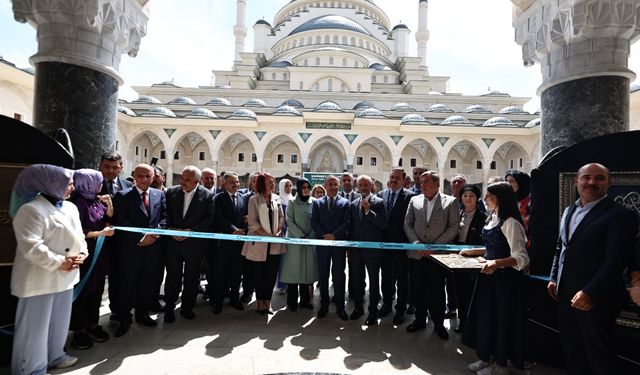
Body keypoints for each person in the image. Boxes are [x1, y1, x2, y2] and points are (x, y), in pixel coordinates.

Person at [548, 163, 637, 375]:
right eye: (586, 177)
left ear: (609, 183)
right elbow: (561, 246)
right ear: (576, 181)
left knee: (599, 356)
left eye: (599, 178)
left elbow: (616, 260)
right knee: (573, 351)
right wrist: (554, 277)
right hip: (566, 292)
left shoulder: (620, 215)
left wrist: (590, 292)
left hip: (597, 297)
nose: (592, 182)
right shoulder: (569, 211)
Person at [10, 164, 87, 373]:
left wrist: (82, 254)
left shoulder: (70, 207)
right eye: (68, 184)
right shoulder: (31, 209)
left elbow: (79, 237)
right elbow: (31, 246)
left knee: (59, 321)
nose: (72, 188)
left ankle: (55, 355)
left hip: (66, 276)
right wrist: (59, 262)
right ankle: (31, 367)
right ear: (51, 184)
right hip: (39, 278)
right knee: (35, 327)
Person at [463, 182, 530, 374]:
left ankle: (500, 365)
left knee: (501, 320)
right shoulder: (492, 218)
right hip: (488, 280)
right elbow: (496, 246)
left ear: (499, 198)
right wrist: (476, 251)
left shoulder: (511, 223)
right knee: (487, 319)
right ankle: (486, 357)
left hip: (505, 282)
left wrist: (496, 263)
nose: (485, 200)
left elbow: (521, 258)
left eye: (489, 197)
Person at [403, 171, 460, 340]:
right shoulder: (414, 200)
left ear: (437, 184)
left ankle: (438, 324)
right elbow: (407, 224)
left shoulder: (450, 202)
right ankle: (419, 320)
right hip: (417, 254)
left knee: (437, 291)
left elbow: (453, 227)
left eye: (427, 182)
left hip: (438, 255)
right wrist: (416, 243)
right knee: (417, 289)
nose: (423, 185)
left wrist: (434, 247)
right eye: (421, 182)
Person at [112, 164, 167, 337]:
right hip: (131, 249)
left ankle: (142, 314)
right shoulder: (122, 196)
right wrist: (141, 237)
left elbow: (164, 218)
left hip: (152, 248)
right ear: (134, 176)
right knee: (127, 284)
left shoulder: (159, 195)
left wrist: (154, 234)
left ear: (153, 177)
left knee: (147, 283)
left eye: (148, 176)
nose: (144, 180)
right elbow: (121, 220)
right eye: (141, 176)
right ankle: (124, 318)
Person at [69, 169, 115, 350]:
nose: (101, 184)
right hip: (85, 255)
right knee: (83, 292)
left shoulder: (96, 200)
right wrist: (100, 233)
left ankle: (92, 324)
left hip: (99, 253)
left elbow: (106, 218)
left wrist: (109, 205)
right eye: (98, 181)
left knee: (96, 292)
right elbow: (76, 231)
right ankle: (79, 330)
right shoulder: (78, 203)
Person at [163, 166, 215, 323]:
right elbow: (165, 213)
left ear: (197, 181)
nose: (182, 181)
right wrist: (171, 230)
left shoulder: (207, 196)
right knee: (173, 277)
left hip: (194, 244)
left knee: (192, 278)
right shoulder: (171, 192)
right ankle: (169, 308)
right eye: (182, 177)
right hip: (173, 243)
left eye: (187, 179)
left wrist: (189, 231)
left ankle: (187, 307)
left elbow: (209, 219)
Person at [242, 173, 286, 314]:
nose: (272, 184)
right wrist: (266, 234)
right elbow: (252, 222)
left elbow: (281, 217)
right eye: (269, 182)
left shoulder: (276, 198)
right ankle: (260, 302)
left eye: (273, 182)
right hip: (259, 243)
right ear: (262, 184)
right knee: (259, 275)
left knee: (271, 274)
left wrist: (278, 231)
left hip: (274, 243)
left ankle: (268, 301)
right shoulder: (253, 200)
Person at [349, 175, 389, 325]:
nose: (363, 187)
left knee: (373, 282)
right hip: (357, 250)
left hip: (373, 252)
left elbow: (384, 224)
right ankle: (358, 308)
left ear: (372, 185)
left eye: (366, 184)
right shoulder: (353, 204)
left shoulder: (379, 202)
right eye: (361, 185)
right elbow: (352, 228)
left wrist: (369, 211)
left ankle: (373, 311)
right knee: (357, 281)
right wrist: (350, 248)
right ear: (357, 187)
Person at [378, 168, 416, 325]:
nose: (394, 180)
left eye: (397, 178)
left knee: (402, 280)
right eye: (391, 177)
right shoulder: (381, 195)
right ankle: (387, 304)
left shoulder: (411, 197)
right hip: (385, 246)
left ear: (403, 180)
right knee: (386, 278)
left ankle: (400, 309)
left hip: (402, 246)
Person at [311, 175, 351, 320]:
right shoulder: (317, 203)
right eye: (330, 184)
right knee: (323, 276)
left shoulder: (345, 203)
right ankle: (324, 305)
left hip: (338, 245)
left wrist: (334, 235)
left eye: (335, 184)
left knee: (339, 276)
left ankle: (340, 307)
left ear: (338, 186)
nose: (333, 187)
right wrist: (325, 236)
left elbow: (346, 222)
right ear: (325, 186)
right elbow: (314, 221)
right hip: (323, 245)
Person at [98, 152, 132, 319]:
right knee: (97, 280)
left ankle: (117, 311)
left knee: (119, 277)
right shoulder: (92, 185)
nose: (111, 171)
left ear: (121, 168)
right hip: (98, 239)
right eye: (107, 167)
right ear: (100, 166)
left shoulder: (128, 186)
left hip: (122, 241)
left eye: (115, 167)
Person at [212, 172, 249, 313]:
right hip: (223, 244)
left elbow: (245, 216)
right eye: (232, 182)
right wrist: (233, 230)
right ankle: (218, 302)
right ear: (224, 184)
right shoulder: (218, 198)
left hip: (239, 244)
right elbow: (218, 218)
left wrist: (244, 225)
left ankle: (235, 299)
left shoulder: (242, 198)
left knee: (236, 273)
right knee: (220, 274)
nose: (236, 185)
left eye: (237, 182)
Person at [452, 185, 487, 334]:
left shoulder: (483, 217)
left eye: (471, 195)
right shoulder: (456, 215)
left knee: (471, 291)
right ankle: (463, 321)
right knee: (459, 290)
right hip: (456, 256)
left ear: (477, 198)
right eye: (465, 195)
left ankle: (472, 323)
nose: (468, 199)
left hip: (474, 258)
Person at [280, 178, 318, 311]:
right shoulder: (292, 202)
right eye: (304, 187)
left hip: (309, 242)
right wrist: (301, 237)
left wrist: (311, 236)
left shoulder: (314, 202)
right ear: (299, 188)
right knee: (294, 272)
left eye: (308, 187)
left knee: (306, 272)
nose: (306, 190)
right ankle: (291, 302)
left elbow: (316, 222)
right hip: (295, 242)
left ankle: (305, 301)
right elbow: (289, 221)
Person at [275, 178, 294, 293]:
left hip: (291, 234)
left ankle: (290, 284)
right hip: (280, 234)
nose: (288, 188)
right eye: (286, 186)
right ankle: (281, 285)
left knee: (290, 260)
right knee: (281, 261)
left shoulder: (294, 200)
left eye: (290, 185)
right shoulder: (277, 200)